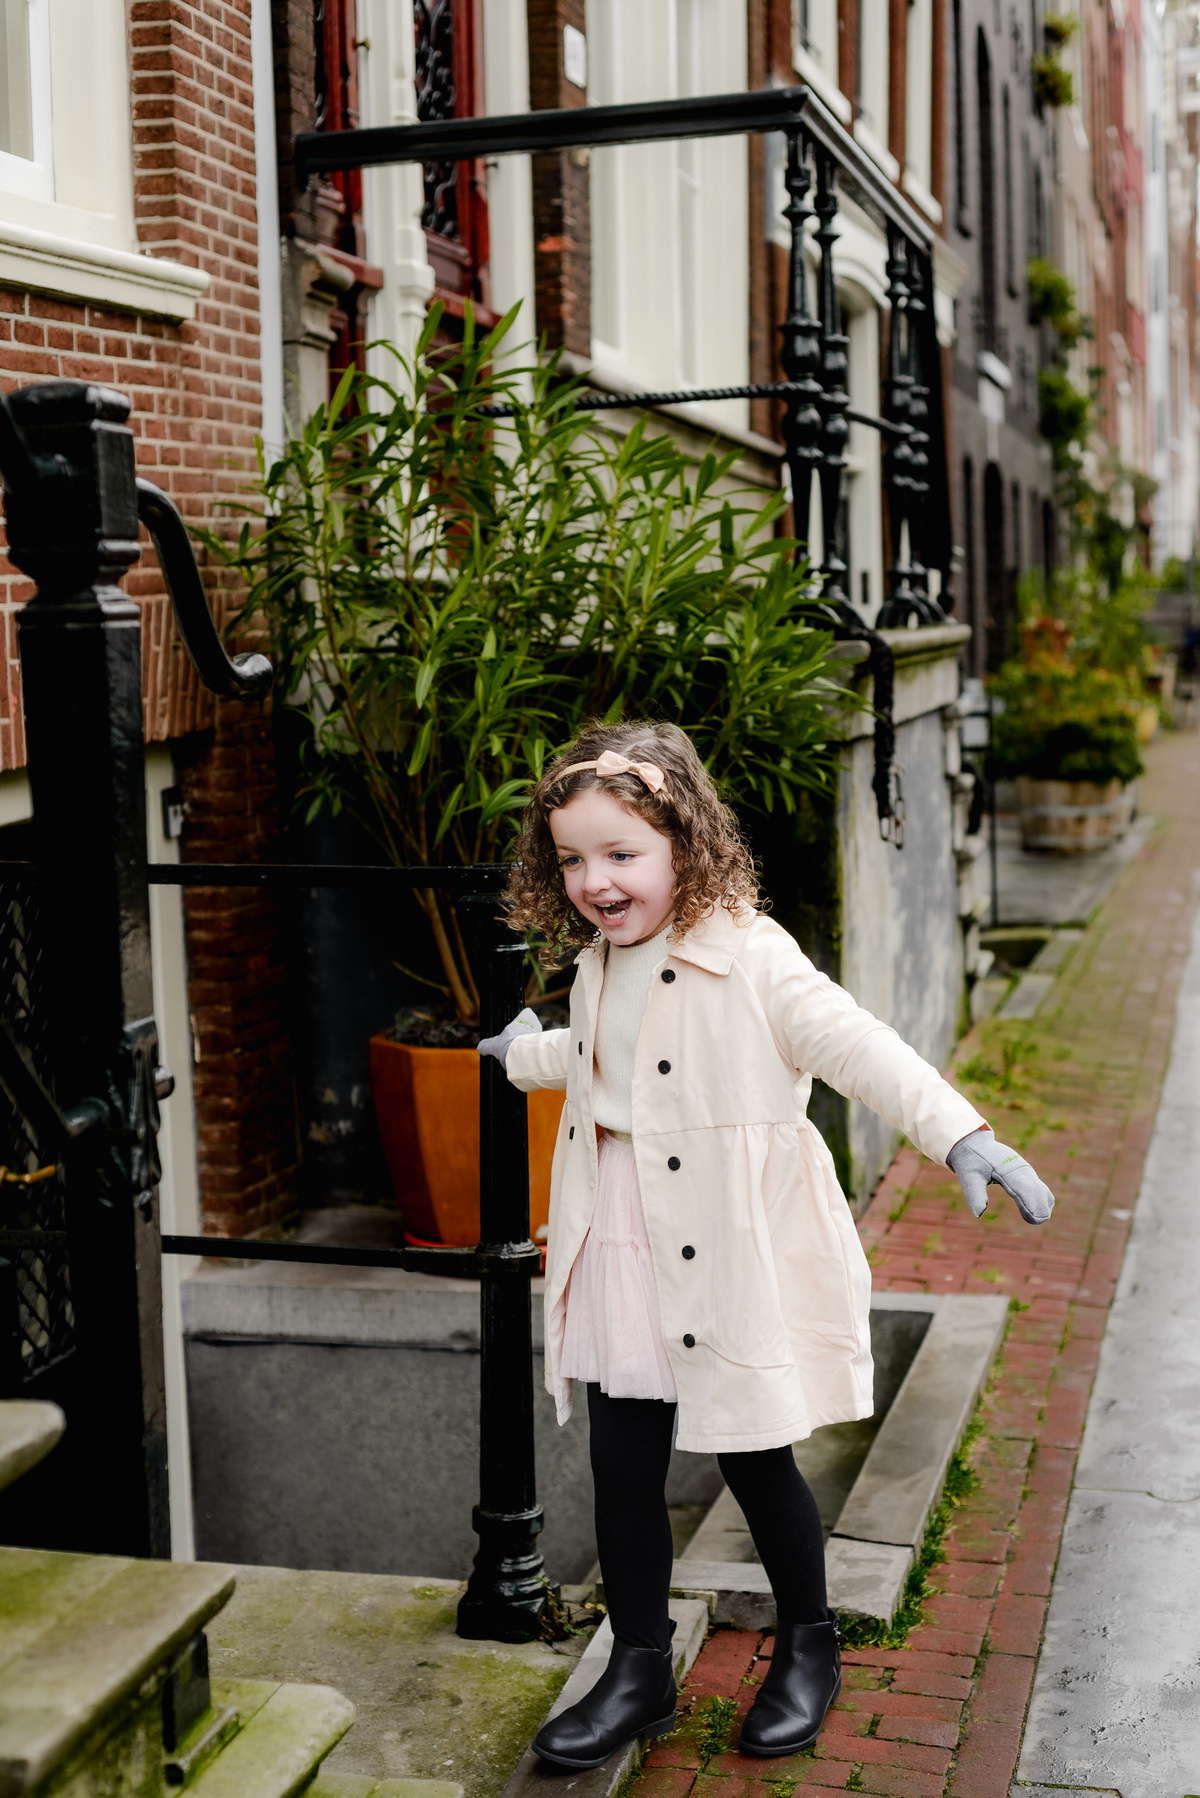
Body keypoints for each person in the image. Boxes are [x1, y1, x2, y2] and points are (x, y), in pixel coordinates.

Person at [478, 720, 1054, 1773]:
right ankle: (639, 1666)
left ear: (684, 843)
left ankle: (809, 1642)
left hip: (722, 1241)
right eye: (571, 859)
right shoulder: (603, 960)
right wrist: (524, 1056)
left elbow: (854, 1042)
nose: (595, 881)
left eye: (620, 853)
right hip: (621, 1232)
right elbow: (603, 1054)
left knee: (754, 1451)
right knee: (620, 1461)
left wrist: (961, 1132)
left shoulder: (750, 952)